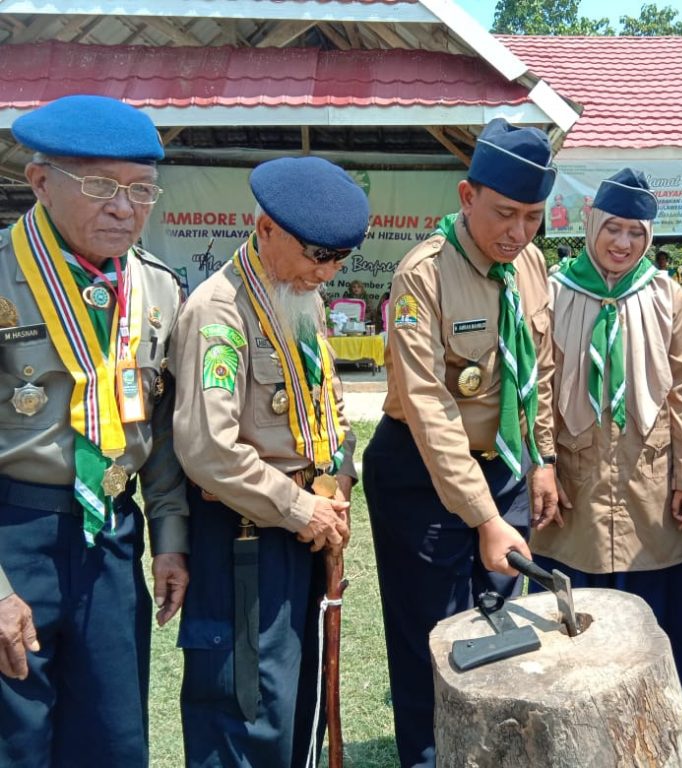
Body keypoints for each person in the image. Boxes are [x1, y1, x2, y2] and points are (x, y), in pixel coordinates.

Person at [363, 117, 559, 768]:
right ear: (466, 195)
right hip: (421, 476)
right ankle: (431, 757)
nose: (519, 232)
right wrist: (483, 517)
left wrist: (543, 459)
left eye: (533, 217)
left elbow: (539, 370)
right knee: (438, 634)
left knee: (502, 626)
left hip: (503, 466)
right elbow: (430, 411)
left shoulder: (531, 264)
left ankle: (496, 753)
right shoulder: (423, 276)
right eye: (506, 213)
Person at [0, 94, 189, 766]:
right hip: (15, 534)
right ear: (41, 181)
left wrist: (168, 538)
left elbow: (161, 429)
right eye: (101, 185)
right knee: (15, 740)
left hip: (111, 533)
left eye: (141, 190)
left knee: (113, 737)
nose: (123, 207)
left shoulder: (158, 290)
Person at [170, 156, 362, 768]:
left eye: (338, 260)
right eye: (315, 255)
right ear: (267, 228)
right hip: (245, 541)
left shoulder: (300, 297)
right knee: (245, 713)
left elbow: (328, 405)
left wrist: (339, 481)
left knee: (294, 711)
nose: (325, 273)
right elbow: (208, 449)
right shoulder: (218, 311)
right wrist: (300, 506)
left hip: (301, 532)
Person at [529, 168, 682, 718]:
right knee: (573, 588)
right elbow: (537, 383)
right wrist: (544, 461)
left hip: (646, 479)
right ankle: (574, 701)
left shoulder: (664, 294)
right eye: (613, 228)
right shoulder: (554, 292)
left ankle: (658, 704)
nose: (623, 243)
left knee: (650, 591)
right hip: (575, 476)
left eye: (636, 232)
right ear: (591, 225)